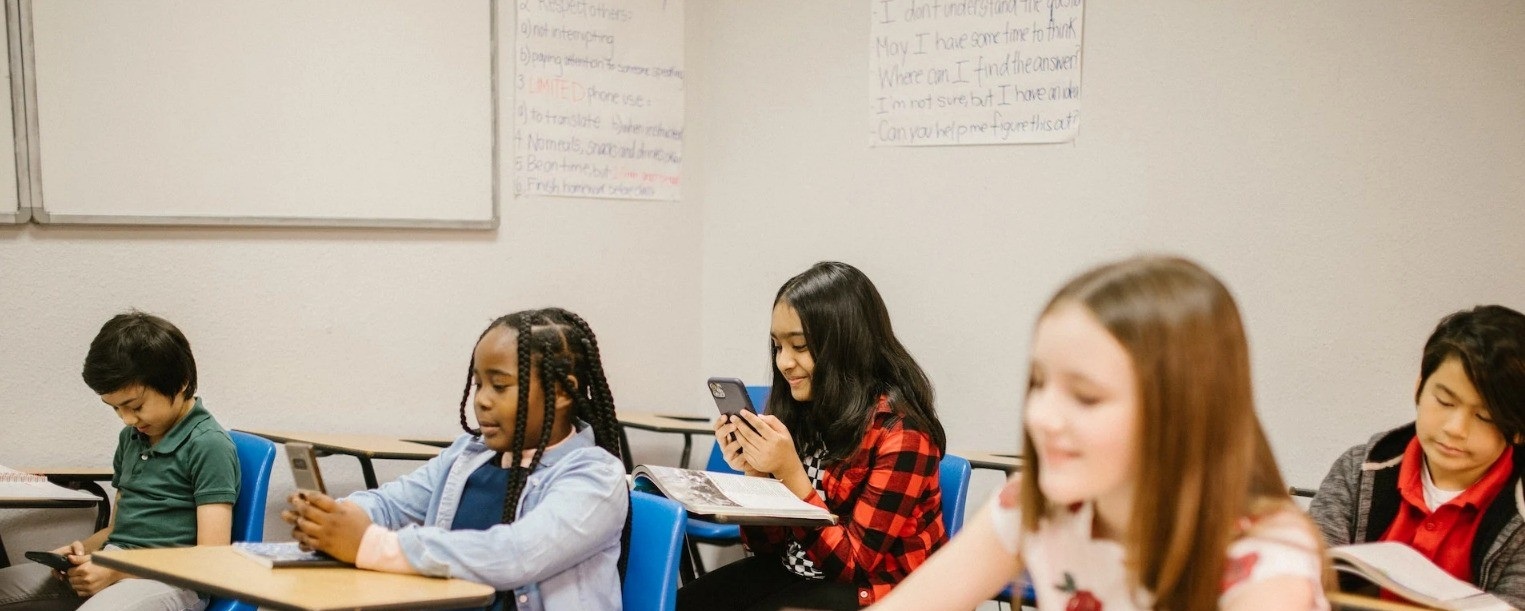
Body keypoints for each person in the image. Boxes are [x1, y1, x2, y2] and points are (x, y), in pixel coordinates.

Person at [873, 256, 1328, 611]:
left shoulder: (1266, 561)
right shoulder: (1037, 506)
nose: (1042, 416)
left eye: (1086, 397)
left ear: (1181, 411)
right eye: (1038, 383)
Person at [283, 308, 628, 611]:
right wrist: (333, 519)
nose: (482, 401)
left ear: (561, 391)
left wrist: (372, 544)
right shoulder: (469, 455)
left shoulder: (593, 477)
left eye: (500, 386)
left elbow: (514, 555)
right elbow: (392, 503)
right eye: (478, 384)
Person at [678, 261, 948, 610]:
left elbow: (852, 567)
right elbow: (767, 549)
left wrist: (790, 475)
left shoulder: (903, 434)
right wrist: (758, 475)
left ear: (847, 345)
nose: (784, 362)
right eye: (777, 346)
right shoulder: (802, 410)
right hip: (799, 575)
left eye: (800, 346)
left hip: (877, 594)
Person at [0, 311, 240, 611]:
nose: (127, 419)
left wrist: (115, 568)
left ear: (181, 383)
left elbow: (212, 558)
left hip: (172, 582)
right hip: (113, 563)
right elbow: (117, 531)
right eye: (115, 409)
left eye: (135, 406)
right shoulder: (132, 438)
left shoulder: (209, 445)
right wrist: (82, 552)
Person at [1311, 305, 1525, 607]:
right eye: (1444, 401)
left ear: (1518, 431)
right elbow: (1306, 579)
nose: (1455, 429)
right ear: (1419, 388)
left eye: (1484, 417)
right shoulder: (1358, 471)